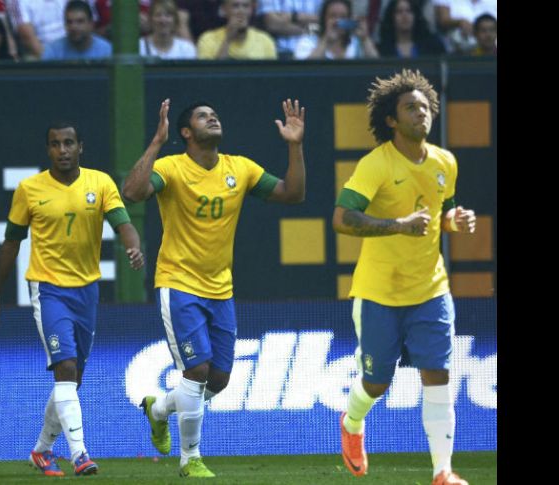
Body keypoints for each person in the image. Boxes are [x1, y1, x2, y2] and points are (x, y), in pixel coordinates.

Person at [122, 98, 306, 477]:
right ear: (186, 132)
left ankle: (158, 410)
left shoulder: (240, 168)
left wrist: (294, 144)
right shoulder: (172, 168)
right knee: (198, 369)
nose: (214, 118)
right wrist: (157, 142)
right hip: (179, 282)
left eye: (215, 114)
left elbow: (293, 194)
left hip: (221, 288)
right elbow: (133, 192)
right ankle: (191, 459)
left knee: (218, 379)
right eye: (203, 116)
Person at [333, 69, 476, 485]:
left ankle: (443, 472)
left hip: (431, 289)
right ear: (391, 120)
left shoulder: (445, 162)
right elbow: (342, 219)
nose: (421, 113)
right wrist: (397, 224)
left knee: (438, 374)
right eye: (411, 108)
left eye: (425, 106)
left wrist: (453, 220)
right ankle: (353, 422)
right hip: (379, 292)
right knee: (377, 382)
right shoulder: (376, 163)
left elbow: (436, 215)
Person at [0, 122, 144, 477]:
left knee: (73, 379)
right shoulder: (30, 189)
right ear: (48, 150)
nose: (63, 150)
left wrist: (132, 244)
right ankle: (79, 453)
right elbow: (11, 245)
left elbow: (123, 223)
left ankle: (42, 450)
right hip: (48, 288)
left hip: (86, 291)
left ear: (80, 146)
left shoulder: (100, 183)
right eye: (55, 144)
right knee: (65, 369)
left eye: (68, 142)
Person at [293, 0, 378, 59]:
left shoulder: (356, 43)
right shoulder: (308, 41)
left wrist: (365, 39)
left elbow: (376, 68)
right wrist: (325, 40)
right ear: (324, 19)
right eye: (333, 16)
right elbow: (307, 69)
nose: (338, 21)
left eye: (343, 16)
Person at [197, 0, 277, 59]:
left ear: (252, 10)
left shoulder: (265, 40)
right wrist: (228, 39)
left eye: (246, 6)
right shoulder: (207, 40)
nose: (241, 11)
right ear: (224, 10)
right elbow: (212, 78)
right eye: (235, 6)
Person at [41, 0, 112, 60]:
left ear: (91, 24)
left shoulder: (106, 51)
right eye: (69, 22)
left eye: (80, 21)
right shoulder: (53, 51)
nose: (74, 27)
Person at [377, 0, 446, 58]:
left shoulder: (432, 45)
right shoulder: (383, 49)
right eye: (399, 11)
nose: (404, 15)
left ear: (415, 15)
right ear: (391, 17)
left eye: (409, 11)